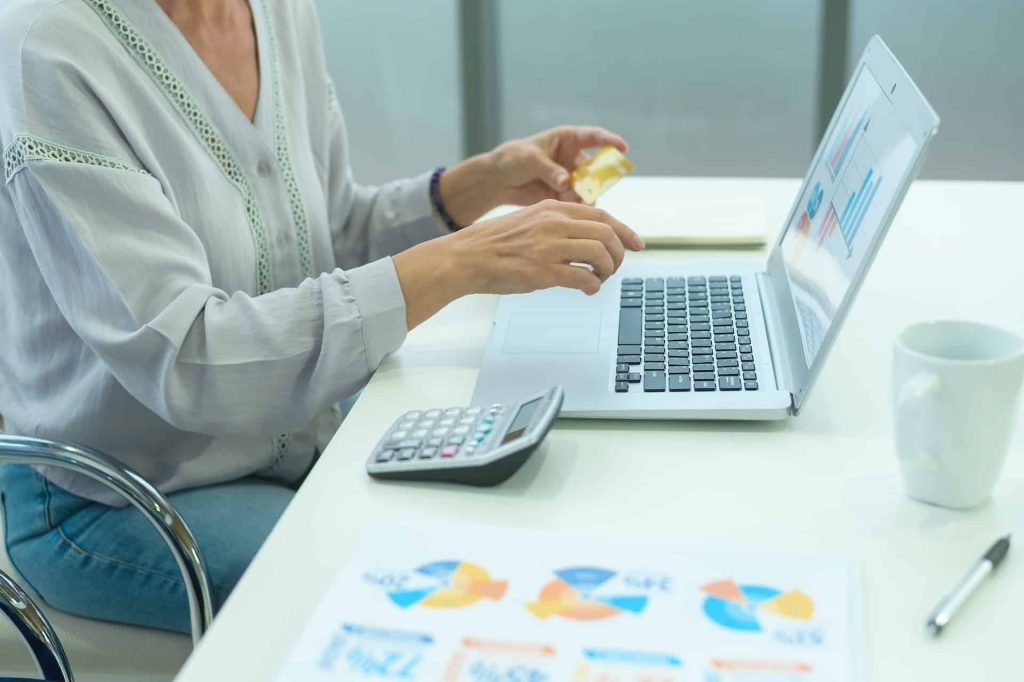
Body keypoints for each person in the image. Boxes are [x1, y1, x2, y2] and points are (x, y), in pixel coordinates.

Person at [0, 0, 642, 633]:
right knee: (438, 600)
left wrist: (481, 184)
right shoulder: (47, 45)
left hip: (301, 440)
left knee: (541, 517)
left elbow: (323, 239)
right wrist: (457, 263)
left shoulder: (278, 12)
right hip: (122, 497)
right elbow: (189, 359)